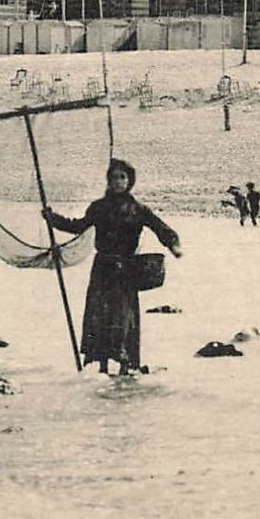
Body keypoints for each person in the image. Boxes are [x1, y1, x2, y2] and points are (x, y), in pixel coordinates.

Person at [44, 158, 183, 375]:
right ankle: (102, 366)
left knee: (123, 316)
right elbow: (78, 226)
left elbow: (161, 228)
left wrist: (174, 245)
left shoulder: (138, 209)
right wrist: (53, 219)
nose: (118, 182)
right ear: (108, 181)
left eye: (122, 177)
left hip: (126, 269)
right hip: (103, 268)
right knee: (99, 315)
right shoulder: (98, 207)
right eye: (114, 177)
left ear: (130, 181)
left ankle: (125, 365)